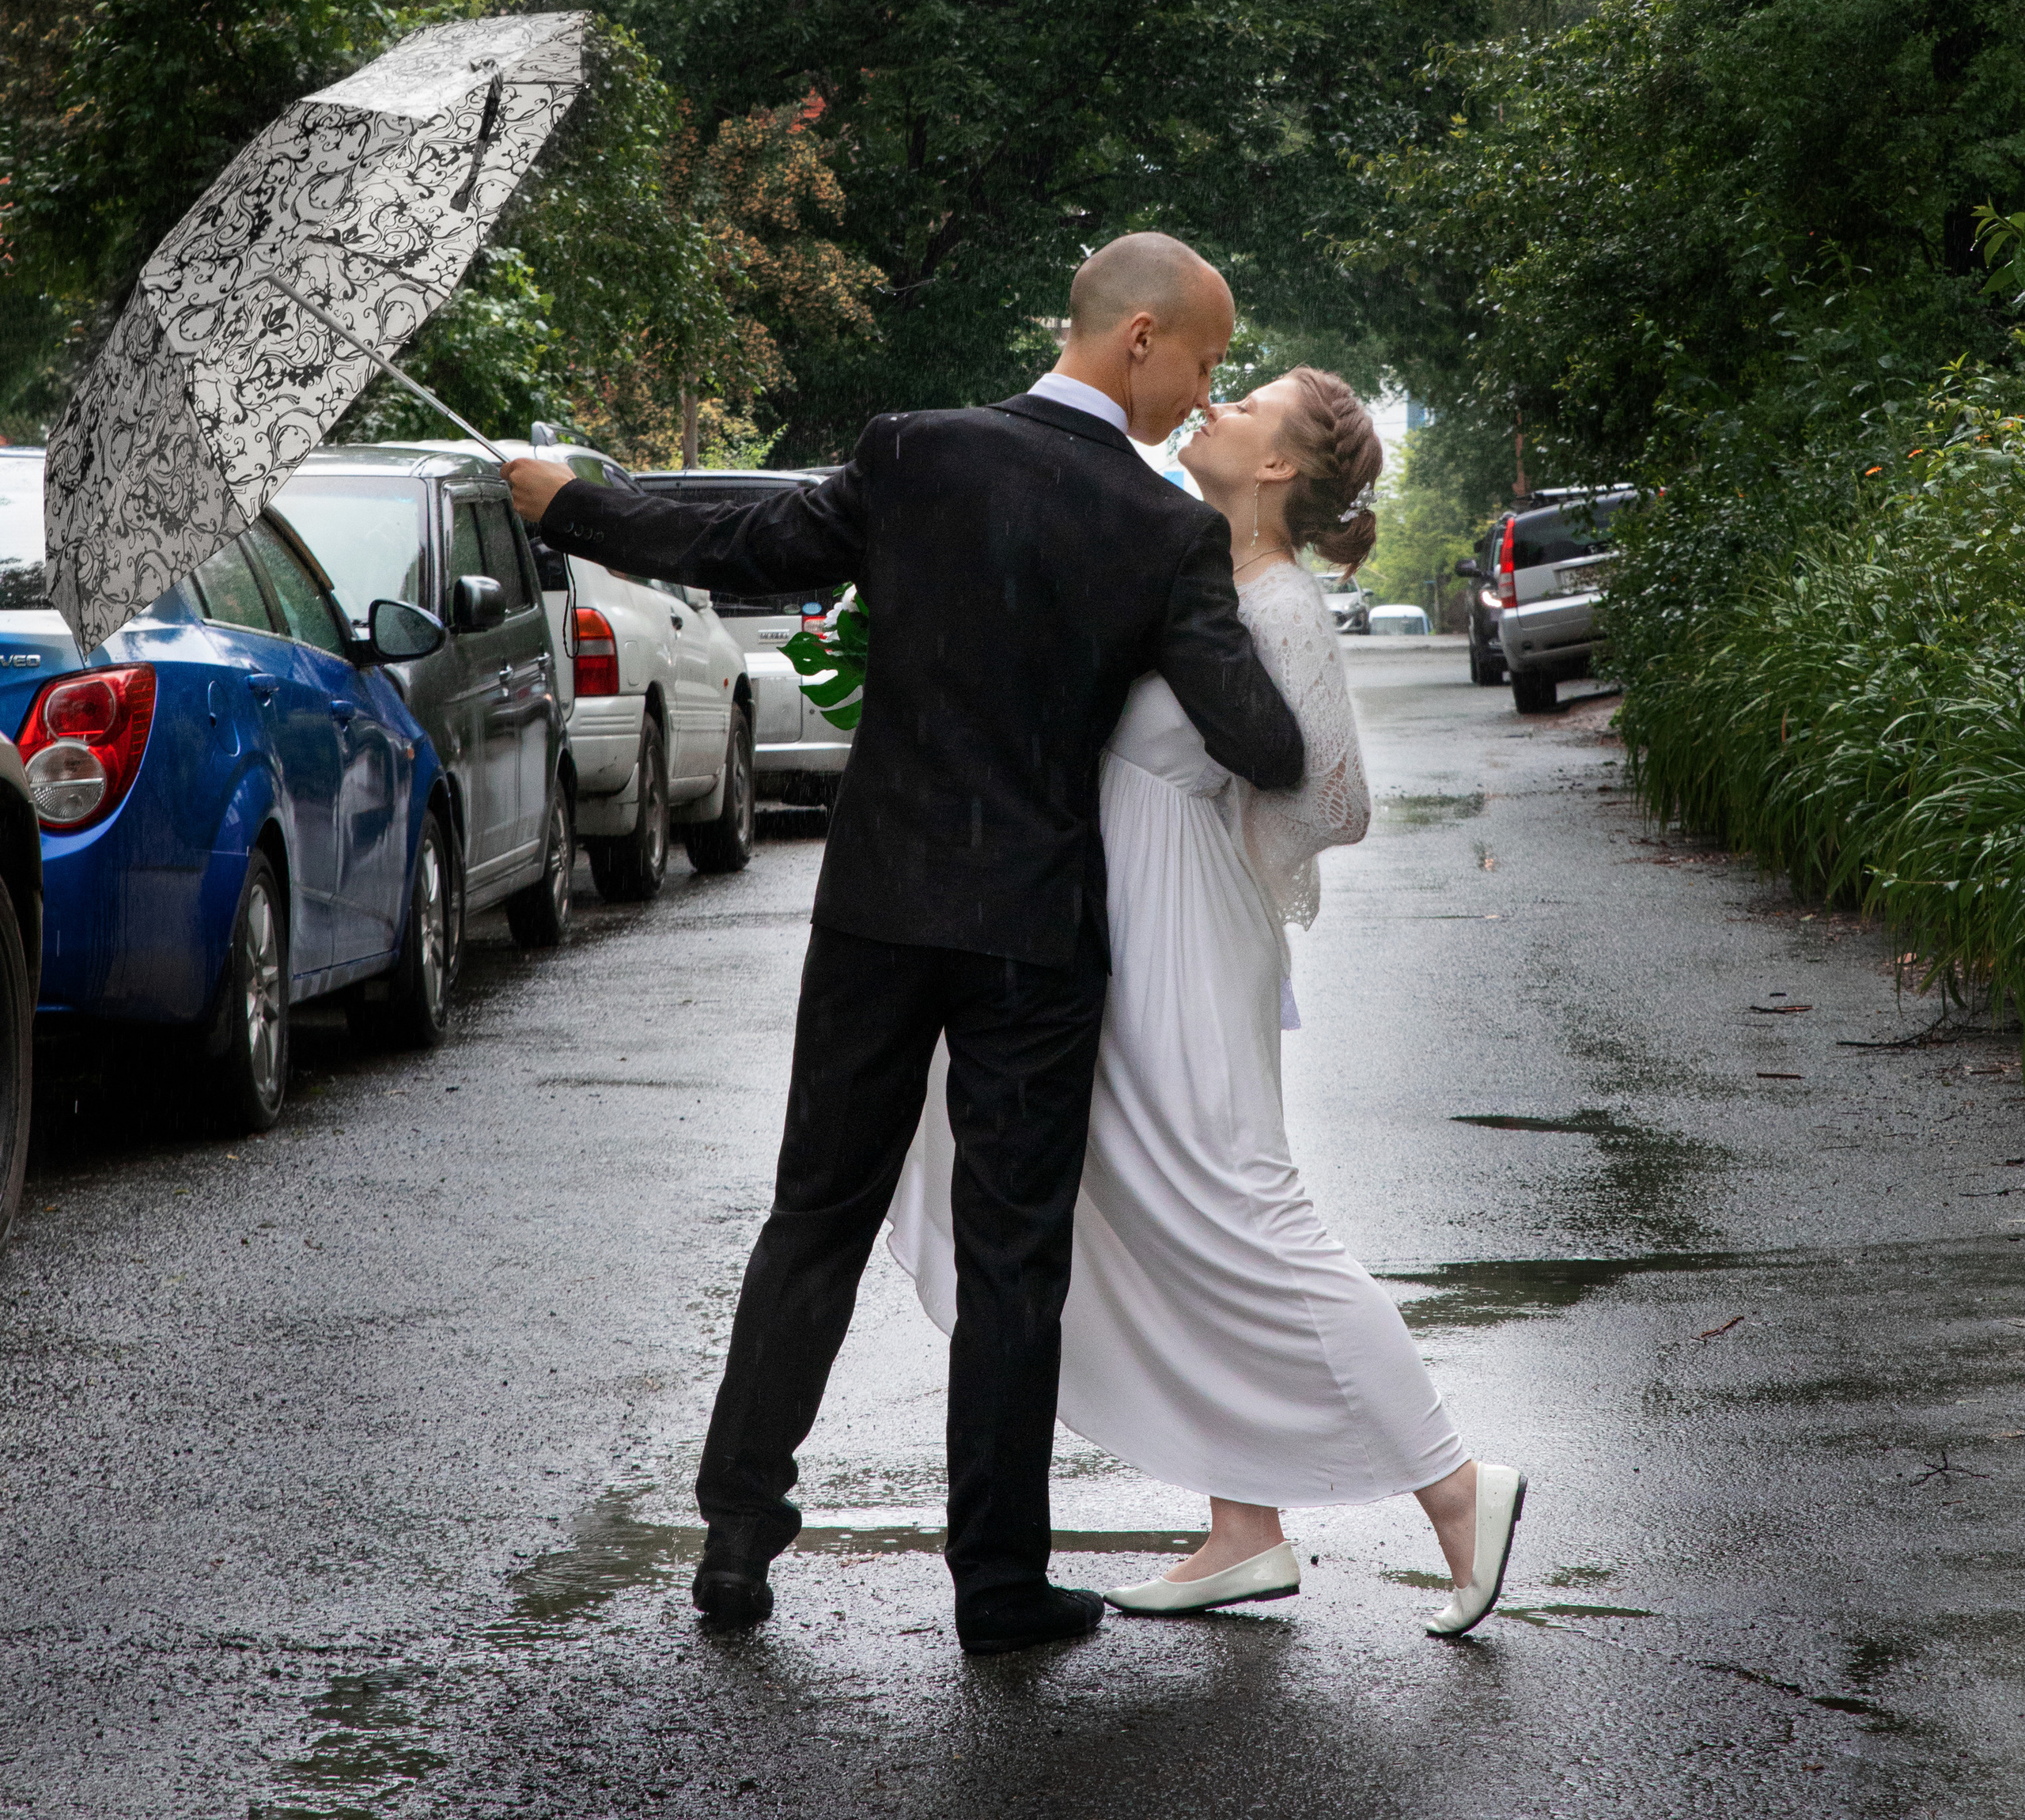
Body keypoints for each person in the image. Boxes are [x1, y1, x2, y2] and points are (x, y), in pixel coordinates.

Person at [503, 232, 1305, 1658]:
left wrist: (575, 503)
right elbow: (1259, 739)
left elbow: (738, 549)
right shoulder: (1164, 529)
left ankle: (738, 1539)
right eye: (1201, 357)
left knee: (816, 1210)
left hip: (878, 905)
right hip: (1036, 934)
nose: (1205, 390)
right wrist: (1248, 572)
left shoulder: (917, 452)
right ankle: (998, 1586)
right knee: (1014, 1258)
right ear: (1136, 341)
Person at [888, 367, 1527, 1633]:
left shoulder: (1279, 599)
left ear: (1281, 467)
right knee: (1148, 1200)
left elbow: (1333, 799)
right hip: (1126, 911)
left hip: (1186, 919)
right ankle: (1245, 1524)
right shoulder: (1190, 561)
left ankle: (1458, 1483)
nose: (1215, 405)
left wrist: (1217, 846)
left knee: (1237, 1198)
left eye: (1249, 404)